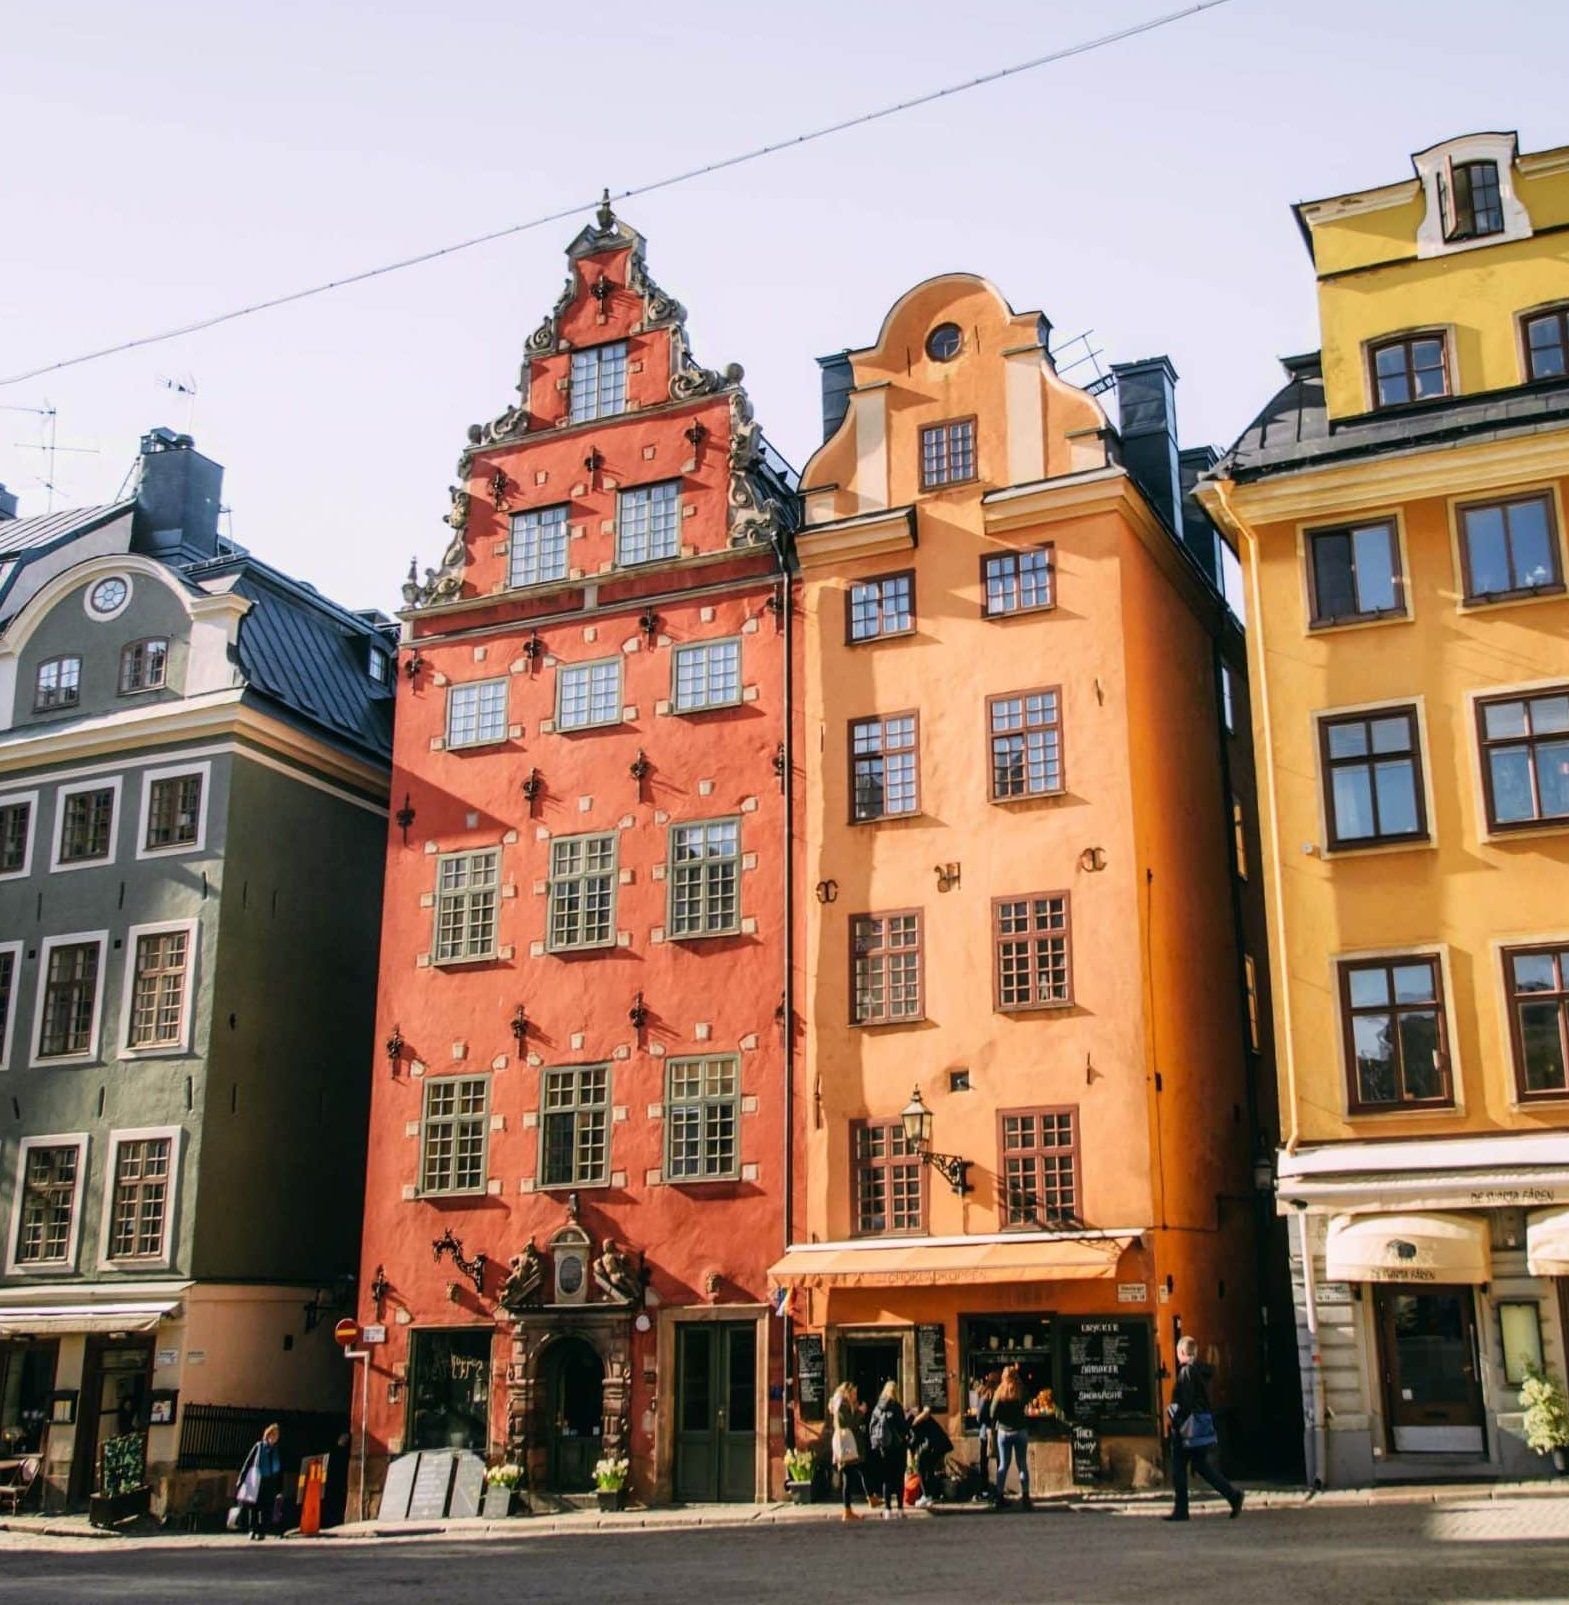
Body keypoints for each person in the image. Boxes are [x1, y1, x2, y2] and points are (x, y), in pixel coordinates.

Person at [1164, 1335, 1243, 1522]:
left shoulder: (1187, 1372)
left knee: (1178, 1469)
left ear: (1182, 1352)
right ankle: (1233, 1495)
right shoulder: (1201, 1372)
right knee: (1202, 1466)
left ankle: (1181, 1511)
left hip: (1187, 1430)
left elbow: (1186, 1402)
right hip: (1199, 1427)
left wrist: (1176, 1420)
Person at [867, 1381, 912, 1519]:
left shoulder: (878, 1408)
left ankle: (887, 1509)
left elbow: (871, 1428)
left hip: (883, 1448)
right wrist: (911, 1416)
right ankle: (899, 1509)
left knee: (886, 1479)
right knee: (898, 1479)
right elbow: (904, 1428)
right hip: (897, 1447)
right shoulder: (896, 1407)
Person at [829, 1382, 871, 1522]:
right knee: (847, 1477)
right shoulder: (842, 1404)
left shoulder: (842, 1403)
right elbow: (846, 1423)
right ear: (847, 1392)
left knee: (849, 1476)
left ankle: (848, 1510)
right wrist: (860, 1412)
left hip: (846, 1443)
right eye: (853, 1393)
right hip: (845, 1443)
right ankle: (847, 1511)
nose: (855, 1396)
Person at [990, 1365, 1031, 1511]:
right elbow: (1028, 1405)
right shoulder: (1021, 1391)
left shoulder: (999, 1392)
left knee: (1003, 1465)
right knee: (1022, 1464)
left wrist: (1001, 1420)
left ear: (1003, 1376)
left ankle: (999, 1497)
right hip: (1020, 1431)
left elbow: (992, 1413)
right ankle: (1026, 1497)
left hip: (1004, 1432)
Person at [236, 1423, 283, 1540]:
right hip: (256, 1480)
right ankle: (252, 1530)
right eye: (273, 1435)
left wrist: (279, 1487)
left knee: (266, 1507)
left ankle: (262, 1531)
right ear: (267, 1435)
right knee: (254, 1507)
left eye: (276, 1436)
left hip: (270, 1481)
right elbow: (248, 1462)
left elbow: (279, 1469)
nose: (274, 1438)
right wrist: (241, 1479)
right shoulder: (259, 1446)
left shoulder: (276, 1450)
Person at [909, 1406, 953, 1507]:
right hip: (938, 1445)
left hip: (932, 1445)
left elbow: (914, 1440)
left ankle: (926, 1496)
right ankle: (929, 1496)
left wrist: (912, 1452)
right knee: (928, 1469)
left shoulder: (914, 1420)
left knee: (921, 1467)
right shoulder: (922, 1417)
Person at [974, 1368, 1001, 1499]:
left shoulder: (984, 1394)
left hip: (985, 1433)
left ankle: (984, 1489)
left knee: (984, 1462)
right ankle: (999, 1490)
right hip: (998, 1431)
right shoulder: (999, 1395)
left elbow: (979, 1417)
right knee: (1000, 1462)